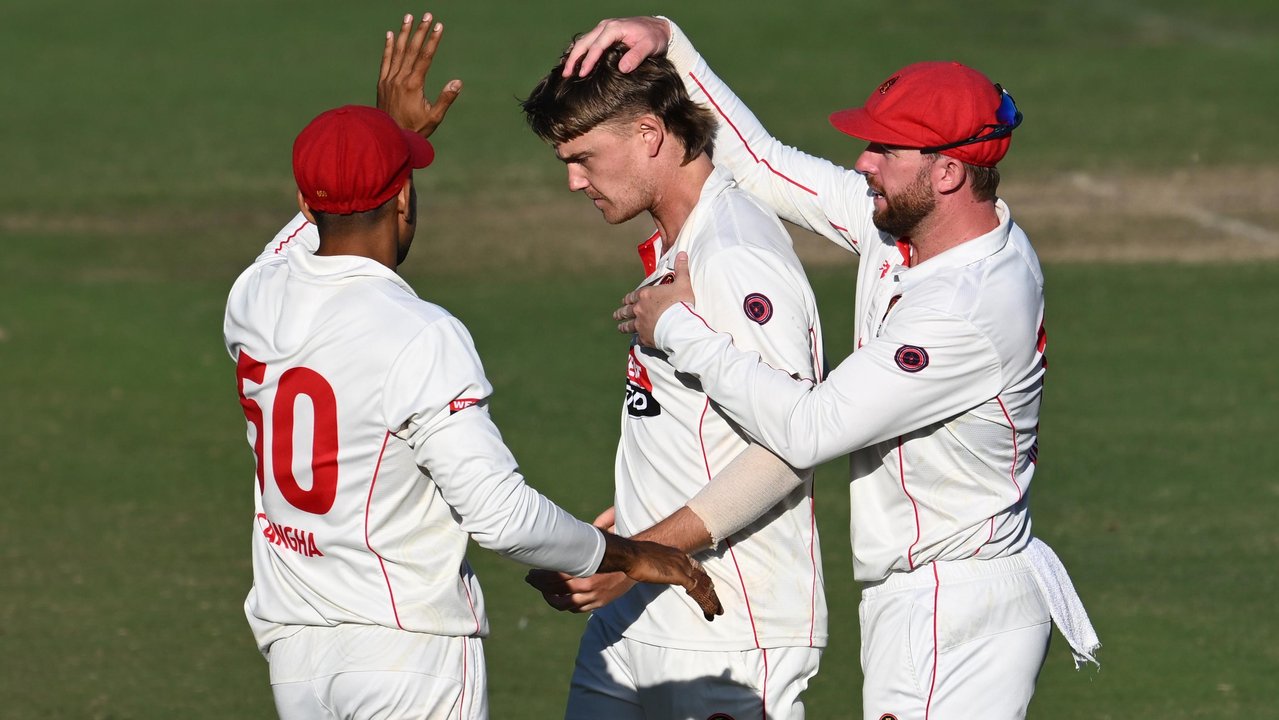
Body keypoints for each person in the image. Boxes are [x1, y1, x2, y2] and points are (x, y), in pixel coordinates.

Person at [566, 16, 1101, 720]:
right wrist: (670, 41)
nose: (862, 164)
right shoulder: (907, 227)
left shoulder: (969, 307)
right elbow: (757, 163)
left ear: (946, 170)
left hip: (957, 608)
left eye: (884, 149)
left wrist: (679, 330)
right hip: (915, 596)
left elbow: (810, 429)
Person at [223, 16, 720, 720]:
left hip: (296, 659)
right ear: (402, 199)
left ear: (306, 202)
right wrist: (630, 555)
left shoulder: (252, 298)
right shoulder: (420, 334)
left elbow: (304, 231)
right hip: (405, 657)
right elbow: (501, 515)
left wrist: (387, 136)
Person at [518, 39, 828, 720]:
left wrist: (633, 553)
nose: (573, 182)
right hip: (635, 620)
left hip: (723, 631)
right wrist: (628, 523)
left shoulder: (734, 254)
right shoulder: (681, 242)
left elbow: (788, 449)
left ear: (650, 134)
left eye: (582, 159)